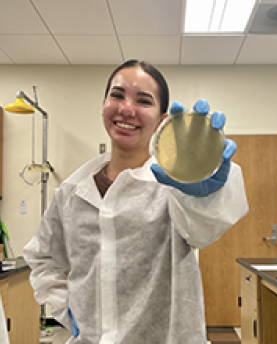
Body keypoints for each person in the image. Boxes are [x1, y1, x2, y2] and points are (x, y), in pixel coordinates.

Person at [22, 60, 248, 343]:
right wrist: (66, 308)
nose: (126, 108)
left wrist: (203, 191)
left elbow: (205, 227)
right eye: (117, 95)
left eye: (143, 101)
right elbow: (45, 259)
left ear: (162, 119)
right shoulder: (72, 192)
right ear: (104, 104)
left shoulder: (173, 188)